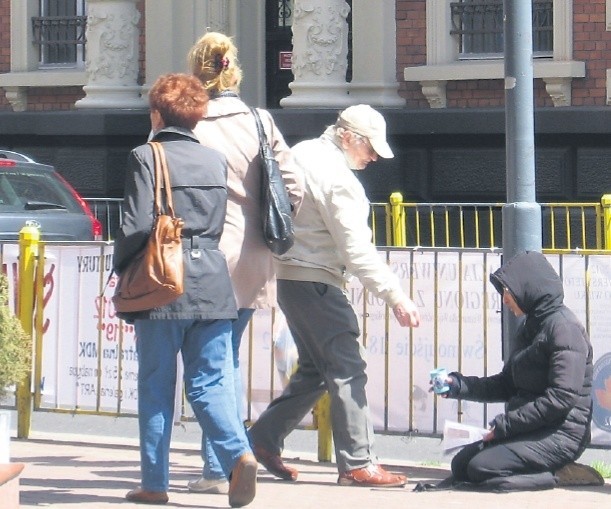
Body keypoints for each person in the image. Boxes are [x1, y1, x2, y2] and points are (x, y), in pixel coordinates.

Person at [248, 104, 421, 487]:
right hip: (318, 280)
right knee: (346, 366)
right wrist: (396, 296)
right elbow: (356, 250)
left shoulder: (304, 152)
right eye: (370, 148)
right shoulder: (338, 179)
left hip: (292, 278)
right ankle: (358, 462)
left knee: (316, 368)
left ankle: (263, 438)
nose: (374, 157)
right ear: (348, 137)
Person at [113, 73, 257, 507]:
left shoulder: (146, 155)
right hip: (213, 280)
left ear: (157, 113)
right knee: (211, 382)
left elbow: (137, 226)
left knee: (157, 383)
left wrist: (121, 267)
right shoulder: (215, 160)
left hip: (163, 281)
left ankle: (154, 484)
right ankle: (238, 454)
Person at [185, 32, 304, 494]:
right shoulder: (260, 120)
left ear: (199, 71)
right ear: (234, 70)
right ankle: (224, 462)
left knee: (208, 364)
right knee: (226, 358)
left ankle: (224, 465)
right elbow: (293, 187)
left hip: (205, 255)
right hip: (254, 256)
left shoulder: (188, 121)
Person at [438, 250, 594, 491]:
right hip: (532, 428)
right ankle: (543, 470)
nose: (504, 300)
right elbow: (507, 384)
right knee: (461, 465)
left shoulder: (564, 328)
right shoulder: (530, 328)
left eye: (507, 292)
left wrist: (505, 425)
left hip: (561, 434)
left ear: (527, 287)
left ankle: (554, 476)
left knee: (482, 468)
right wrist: (458, 385)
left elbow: (561, 398)